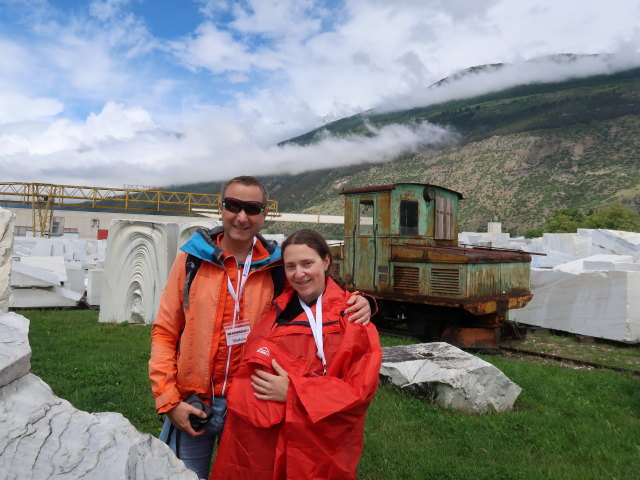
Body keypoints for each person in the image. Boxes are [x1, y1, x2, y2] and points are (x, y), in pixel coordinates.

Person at [149, 177, 372, 479]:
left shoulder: (278, 266)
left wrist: (365, 301)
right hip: (194, 403)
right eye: (234, 206)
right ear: (221, 207)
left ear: (264, 214)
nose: (241, 217)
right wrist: (169, 401)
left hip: (254, 402)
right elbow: (165, 330)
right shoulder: (192, 261)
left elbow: (320, 290)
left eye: (252, 208)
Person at [211, 229, 382, 480]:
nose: (299, 274)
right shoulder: (274, 311)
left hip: (316, 447)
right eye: (290, 266)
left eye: (307, 263)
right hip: (261, 444)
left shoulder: (353, 319)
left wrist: (293, 393)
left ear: (325, 261)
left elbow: (359, 391)